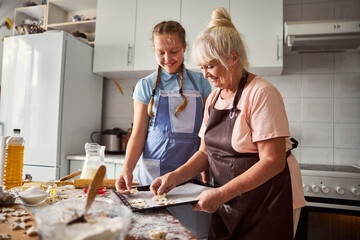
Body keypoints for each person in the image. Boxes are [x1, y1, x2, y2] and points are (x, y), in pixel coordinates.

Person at [150, 7, 305, 240]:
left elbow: (272, 162)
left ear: (233, 57)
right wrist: (175, 177)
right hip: (231, 203)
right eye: (202, 67)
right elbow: (205, 153)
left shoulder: (261, 93)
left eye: (210, 66)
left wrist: (221, 194)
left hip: (269, 204)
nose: (205, 75)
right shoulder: (213, 98)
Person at [115, 20, 212, 191]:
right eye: (161, 52)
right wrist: (127, 168)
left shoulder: (201, 82)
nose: (167, 58)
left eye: (174, 51)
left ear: (184, 47)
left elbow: (207, 130)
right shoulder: (145, 85)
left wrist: (205, 165)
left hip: (189, 170)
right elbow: (138, 133)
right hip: (154, 175)